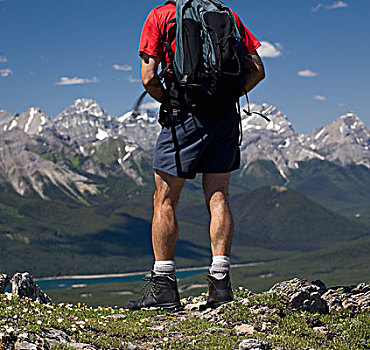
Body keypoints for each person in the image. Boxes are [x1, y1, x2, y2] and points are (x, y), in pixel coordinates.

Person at [127, 0, 265, 311]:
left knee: (164, 199)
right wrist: (226, 95)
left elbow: (148, 77)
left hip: (183, 116)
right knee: (218, 196)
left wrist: (173, 99)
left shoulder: (161, 15)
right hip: (226, 117)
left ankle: (163, 287)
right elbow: (258, 70)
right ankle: (220, 285)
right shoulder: (227, 14)